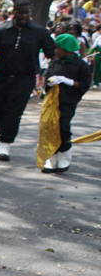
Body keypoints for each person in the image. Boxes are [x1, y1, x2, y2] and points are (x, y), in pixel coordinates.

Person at [0, 0, 55, 161]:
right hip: (1, 76)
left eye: (26, 13)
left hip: (25, 78)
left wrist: (56, 71)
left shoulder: (39, 31)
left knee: (13, 112)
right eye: (20, 12)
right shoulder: (2, 30)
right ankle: (4, 132)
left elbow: (52, 53)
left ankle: (4, 143)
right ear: (13, 12)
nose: (24, 16)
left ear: (30, 13)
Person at [41, 34, 92, 173]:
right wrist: (50, 81)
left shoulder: (80, 65)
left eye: (57, 47)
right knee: (50, 127)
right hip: (52, 102)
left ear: (66, 49)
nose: (55, 50)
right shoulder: (55, 62)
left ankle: (64, 155)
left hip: (68, 101)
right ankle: (51, 158)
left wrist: (69, 81)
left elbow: (85, 84)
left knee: (63, 127)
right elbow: (47, 76)